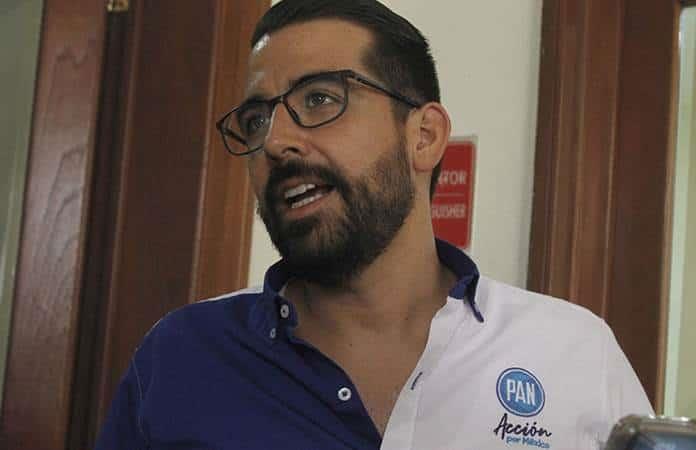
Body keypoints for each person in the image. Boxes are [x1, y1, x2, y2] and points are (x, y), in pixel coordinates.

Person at [95, 1, 653, 449]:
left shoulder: (573, 353)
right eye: (257, 119)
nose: (276, 141)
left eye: (320, 98)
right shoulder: (181, 358)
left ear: (424, 137)